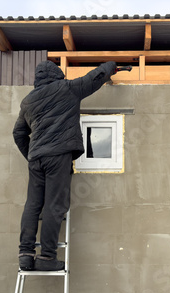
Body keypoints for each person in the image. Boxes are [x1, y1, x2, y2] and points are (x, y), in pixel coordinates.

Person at [13, 60, 118, 271]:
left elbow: (19, 133)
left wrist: (31, 155)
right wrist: (112, 65)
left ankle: (25, 254)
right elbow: (94, 78)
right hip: (57, 156)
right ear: (56, 75)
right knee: (54, 205)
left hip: (37, 160)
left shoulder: (28, 101)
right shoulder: (67, 89)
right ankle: (47, 257)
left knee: (33, 205)